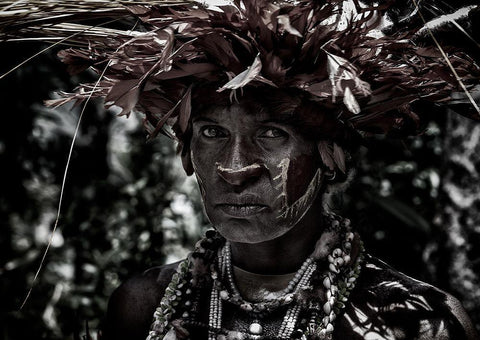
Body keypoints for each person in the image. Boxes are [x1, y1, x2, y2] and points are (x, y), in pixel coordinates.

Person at [2, 0, 479, 339]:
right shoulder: (143, 304)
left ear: (331, 158)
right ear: (188, 154)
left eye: (272, 134)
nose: (234, 168)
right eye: (212, 133)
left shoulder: (414, 321)